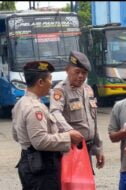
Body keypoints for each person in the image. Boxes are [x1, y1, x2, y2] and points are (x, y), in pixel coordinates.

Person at [12, 61, 84, 190]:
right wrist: (68, 136)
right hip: (41, 167)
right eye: (49, 79)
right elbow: (40, 141)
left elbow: (16, 135)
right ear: (40, 82)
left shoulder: (21, 103)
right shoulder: (35, 108)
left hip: (30, 162)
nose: (51, 83)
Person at [50, 51, 105, 170]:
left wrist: (98, 148)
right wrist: (69, 131)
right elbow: (55, 112)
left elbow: (93, 121)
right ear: (67, 70)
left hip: (88, 148)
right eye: (77, 72)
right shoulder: (60, 90)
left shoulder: (88, 89)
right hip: (71, 149)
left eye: (84, 73)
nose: (81, 76)